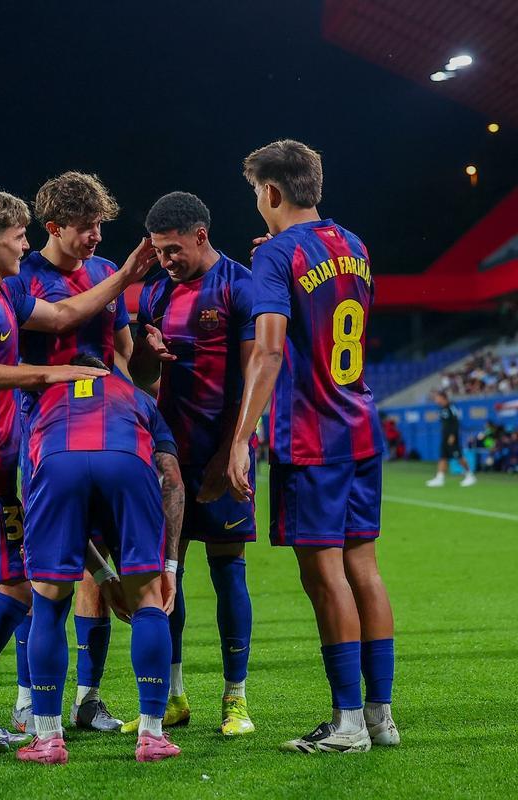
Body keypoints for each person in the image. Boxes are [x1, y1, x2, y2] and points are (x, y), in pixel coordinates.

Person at [0, 186, 157, 751]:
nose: (24, 246)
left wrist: (123, 277)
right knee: (2, 585)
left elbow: (68, 313)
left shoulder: (2, 295)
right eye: (19, 237)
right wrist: (48, 376)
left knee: (11, 582)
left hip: (0, 458)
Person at [224, 139, 398, 753]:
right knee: (365, 571)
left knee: (326, 578)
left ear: (271, 192)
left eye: (256, 194)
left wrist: (241, 438)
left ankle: (347, 723)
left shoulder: (275, 253)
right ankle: (380, 716)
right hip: (361, 426)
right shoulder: (353, 245)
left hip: (312, 436)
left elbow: (269, 350)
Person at [5, 171, 146, 733]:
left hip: (109, 435)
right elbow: (61, 319)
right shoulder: (23, 277)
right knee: (46, 571)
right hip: (46, 437)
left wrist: (141, 393)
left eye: (99, 227)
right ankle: (26, 697)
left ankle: (89, 698)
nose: (95, 239)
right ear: (53, 227)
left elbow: (124, 355)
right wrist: (125, 280)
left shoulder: (107, 271)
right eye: (85, 229)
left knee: (98, 571)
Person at [130, 191, 257, 736]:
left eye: (173, 249)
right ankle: (176, 693)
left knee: (228, 572)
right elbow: (139, 378)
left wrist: (237, 447)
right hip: (168, 458)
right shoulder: (154, 292)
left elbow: (255, 377)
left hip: (223, 452)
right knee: (167, 576)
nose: (165, 261)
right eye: (158, 251)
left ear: (201, 235)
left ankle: (236, 698)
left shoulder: (239, 285)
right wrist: (146, 351)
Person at [18, 354, 184, 764]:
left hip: (57, 461)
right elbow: (172, 478)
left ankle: (49, 738)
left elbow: (28, 486)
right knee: (148, 600)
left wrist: (102, 573)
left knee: (48, 603)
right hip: (126, 460)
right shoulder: (136, 396)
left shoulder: (44, 400)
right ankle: (152, 735)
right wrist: (168, 567)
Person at [426, 390, 475, 486]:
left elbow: (456, 422)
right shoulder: (441, 409)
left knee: (459, 457)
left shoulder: (451, 407)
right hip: (444, 437)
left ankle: (470, 476)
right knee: (442, 457)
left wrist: (452, 436)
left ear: (443, 397)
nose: (436, 400)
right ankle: (440, 478)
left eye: (437, 397)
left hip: (452, 438)